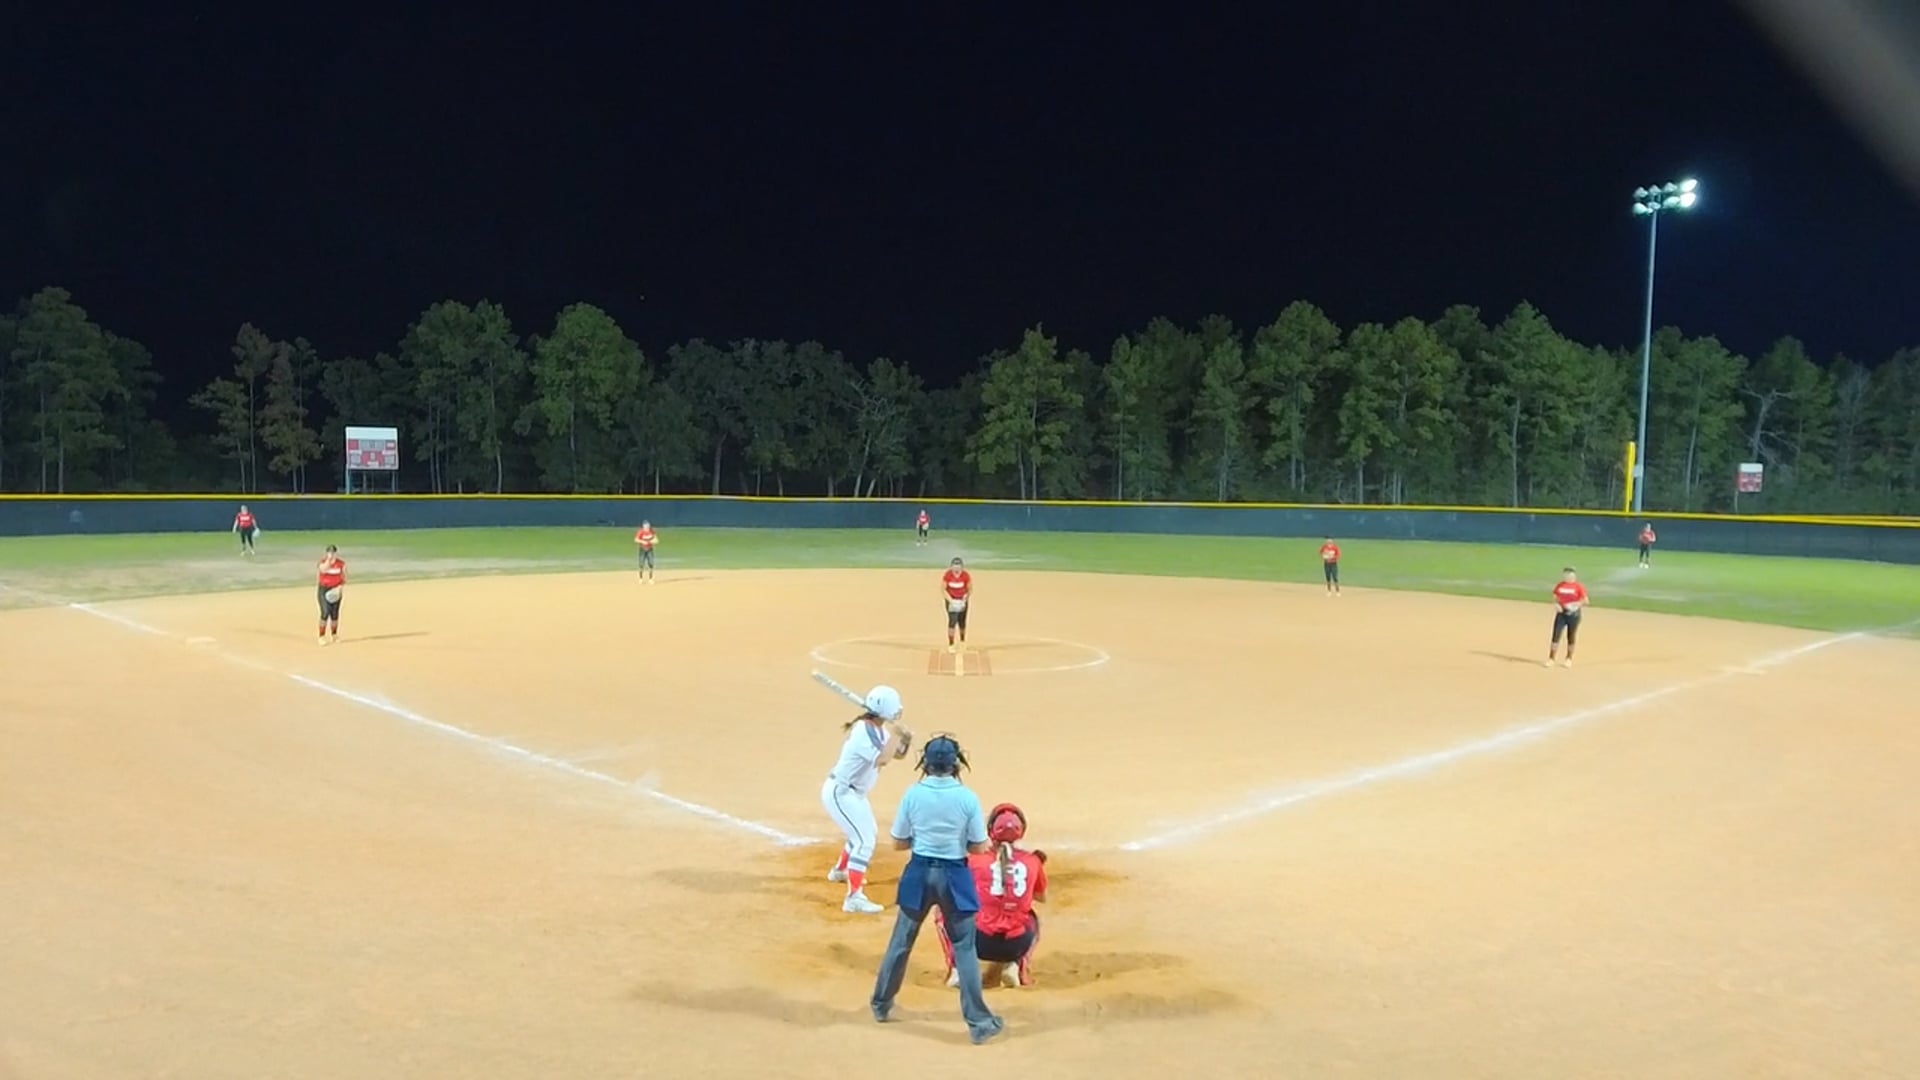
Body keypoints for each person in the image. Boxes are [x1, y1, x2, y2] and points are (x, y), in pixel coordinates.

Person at [870, 734, 1004, 1045]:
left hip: (919, 872)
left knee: (901, 942)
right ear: (956, 763)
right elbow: (978, 846)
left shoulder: (913, 794)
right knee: (964, 948)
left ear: (926, 763)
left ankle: (881, 1005)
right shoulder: (967, 798)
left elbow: (898, 842)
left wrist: (924, 839)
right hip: (954, 876)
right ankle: (979, 1023)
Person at [821, 685, 914, 914]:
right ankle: (853, 898)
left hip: (854, 794)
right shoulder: (864, 731)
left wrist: (905, 740)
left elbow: (896, 754)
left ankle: (840, 871)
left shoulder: (878, 730)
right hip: (841, 793)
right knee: (864, 841)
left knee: (865, 833)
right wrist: (897, 735)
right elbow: (882, 759)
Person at [936, 802, 1048, 989]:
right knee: (1031, 918)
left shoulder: (974, 859)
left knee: (943, 911)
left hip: (980, 941)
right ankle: (1016, 968)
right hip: (1016, 943)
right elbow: (1041, 897)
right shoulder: (1033, 860)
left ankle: (957, 969)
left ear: (990, 830)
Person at [1546, 567, 1589, 668]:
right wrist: (1556, 604)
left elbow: (1586, 600)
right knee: (1556, 635)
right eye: (1566, 575)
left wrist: (1576, 605)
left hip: (1573, 615)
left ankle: (1568, 659)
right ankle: (1551, 659)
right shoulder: (1560, 585)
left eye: (1570, 575)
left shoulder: (1578, 587)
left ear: (1574, 576)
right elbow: (1555, 597)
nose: (1568, 577)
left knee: (1571, 636)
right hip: (1561, 614)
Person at [316, 544, 347, 645]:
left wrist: (340, 588)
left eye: (333, 552)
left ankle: (334, 634)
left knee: (335, 614)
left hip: (336, 589)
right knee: (325, 613)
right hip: (324, 590)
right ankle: (321, 636)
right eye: (330, 552)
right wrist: (329, 561)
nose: (332, 554)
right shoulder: (322, 562)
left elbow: (344, 577)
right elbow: (323, 569)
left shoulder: (341, 564)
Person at [942, 557, 972, 653]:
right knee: (952, 621)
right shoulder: (947, 575)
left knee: (962, 622)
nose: (956, 569)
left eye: (958, 567)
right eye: (955, 567)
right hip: (951, 601)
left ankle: (962, 641)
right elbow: (943, 589)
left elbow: (969, 589)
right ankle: (951, 644)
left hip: (962, 600)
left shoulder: (965, 575)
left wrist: (964, 599)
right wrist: (951, 601)